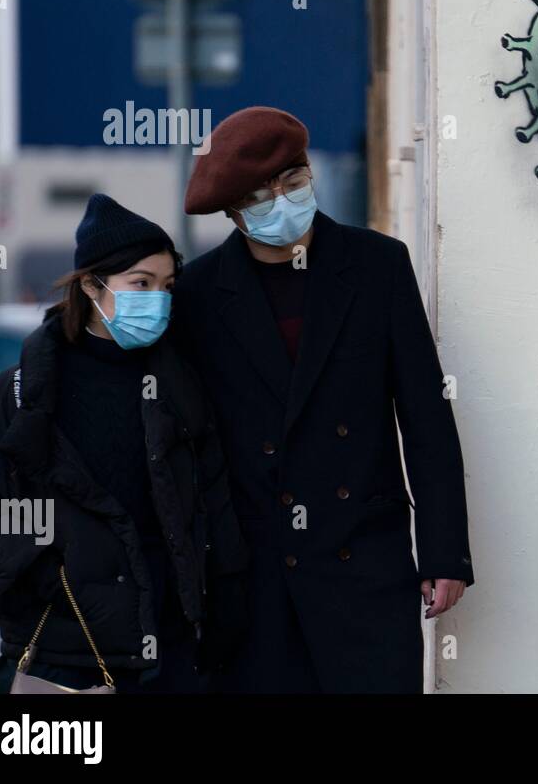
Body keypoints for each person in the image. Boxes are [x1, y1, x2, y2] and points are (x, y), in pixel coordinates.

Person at [172, 105, 474, 693]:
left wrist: (444, 553)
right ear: (234, 213)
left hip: (364, 564)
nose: (284, 200)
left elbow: (425, 413)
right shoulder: (200, 294)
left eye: (294, 180)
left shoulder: (378, 264)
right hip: (257, 575)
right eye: (264, 195)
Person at [0, 195, 249, 693]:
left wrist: (222, 607)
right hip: (62, 654)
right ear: (91, 285)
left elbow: (213, 504)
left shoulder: (180, 386)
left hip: (167, 650)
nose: (157, 299)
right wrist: (35, 585)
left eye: (167, 286)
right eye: (140, 284)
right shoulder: (22, 390)